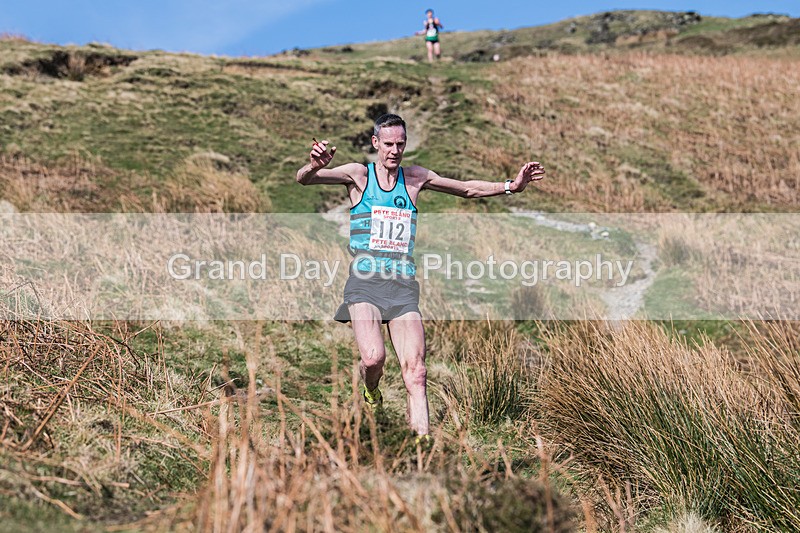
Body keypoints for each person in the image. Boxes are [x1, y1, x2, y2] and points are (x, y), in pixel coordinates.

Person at [295, 114, 545, 442]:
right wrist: (313, 165)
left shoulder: (415, 178)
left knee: (417, 372)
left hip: (402, 288)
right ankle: (371, 388)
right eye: (388, 144)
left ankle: (420, 450)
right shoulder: (358, 175)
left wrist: (512, 186)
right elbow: (304, 180)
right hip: (365, 284)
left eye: (400, 144)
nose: (395, 150)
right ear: (375, 143)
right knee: (373, 359)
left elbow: (467, 189)